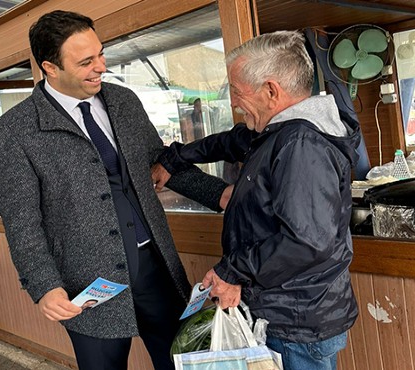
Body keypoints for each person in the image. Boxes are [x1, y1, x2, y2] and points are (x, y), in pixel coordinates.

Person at [0, 10, 230, 370]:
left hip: (155, 268)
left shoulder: (124, 101)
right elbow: (22, 220)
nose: (101, 66)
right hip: (86, 285)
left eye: (101, 54)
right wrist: (44, 285)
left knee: (183, 364)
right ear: (50, 68)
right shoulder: (16, 130)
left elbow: (160, 163)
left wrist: (222, 195)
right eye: (86, 61)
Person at [152, 30, 360, 370]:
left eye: (236, 90)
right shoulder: (276, 132)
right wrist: (174, 159)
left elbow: (307, 242)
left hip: (296, 321)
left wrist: (231, 270)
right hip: (282, 310)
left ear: (271, 91)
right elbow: (229, 142)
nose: (233, 102)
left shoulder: (302, 146)